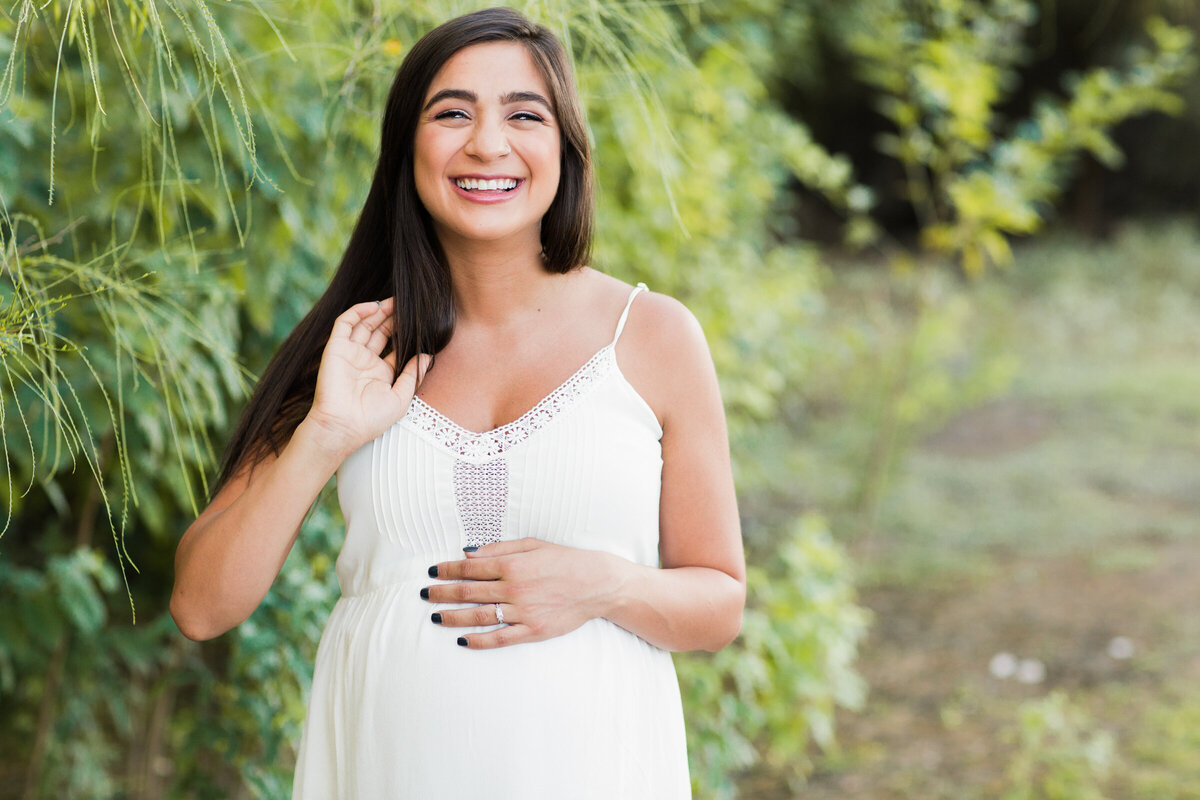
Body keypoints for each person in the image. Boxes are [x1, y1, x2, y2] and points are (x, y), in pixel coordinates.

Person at [170, 7, 745, 798]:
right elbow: (201, 606)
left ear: (565, 148)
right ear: (409, 147)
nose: (487, 144)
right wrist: (325, 434)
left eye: (523, 114)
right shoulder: (356, 347)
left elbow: (719, 602)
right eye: (452, 114)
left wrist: (607, 584)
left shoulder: (651, 336)